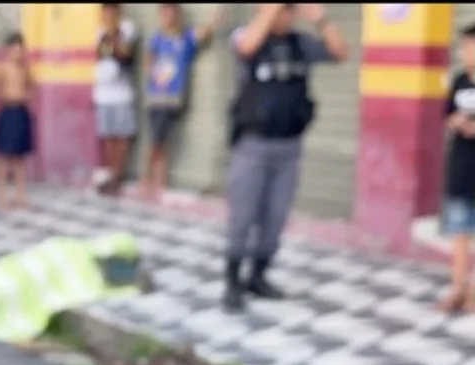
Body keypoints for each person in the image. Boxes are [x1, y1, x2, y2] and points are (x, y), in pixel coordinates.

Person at [222, 4, 348, 312]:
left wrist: (320, 18)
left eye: (290, 9)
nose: (286, 15)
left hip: (289, 147)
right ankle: (233, 283)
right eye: (281, 9)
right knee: (243, 216)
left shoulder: (300, 43)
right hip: (253, 145)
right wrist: (269, 11)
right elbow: (246, 47)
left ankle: (258, 276)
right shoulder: (246, 35)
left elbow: (340, 52)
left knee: (276, 217)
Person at [141, 4, 225, 202]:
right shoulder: (157, 37)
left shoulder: (185, 37)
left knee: (165, 140)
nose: (168, 17)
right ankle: (147, 178)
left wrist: (214, 22)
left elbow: (202, 34)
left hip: (175, 98)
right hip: (158, 98)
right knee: (157, 140)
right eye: (164, 13)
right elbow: (148, 61)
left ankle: (160, 181)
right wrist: (156, 74)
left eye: (171, 13)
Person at [439, 23, 475, 314]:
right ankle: (457, 288)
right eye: (463, 47)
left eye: (469, 46)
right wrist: (456, 122)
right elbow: (447, 115)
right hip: (461, 168)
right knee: (460, 233)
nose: (464, 52)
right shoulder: (459, 80)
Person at [94, 3, 139, 196]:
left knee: (122, 137)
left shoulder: (127, 29)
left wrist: (113, 32)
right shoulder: (98, 32)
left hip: (122, 93)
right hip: (103, 94)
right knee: (108, 137)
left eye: (112, 11)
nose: (108, 15)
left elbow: (125, 52)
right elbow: (99, 56)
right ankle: (112, 175)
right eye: (105, 11)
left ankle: (117, 177)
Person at [0, 32, 35, 210]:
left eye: (21, 50)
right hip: (7, 112)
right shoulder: (2, 69)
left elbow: (33, 87)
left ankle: (20, 196)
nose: (19, 53)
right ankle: (1, 197)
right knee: (4, 157)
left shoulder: (25, 69)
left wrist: (26, 95)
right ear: (8, 50)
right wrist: (6, 96)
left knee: (20, 157)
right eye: (15, 50)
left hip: (21, 112)